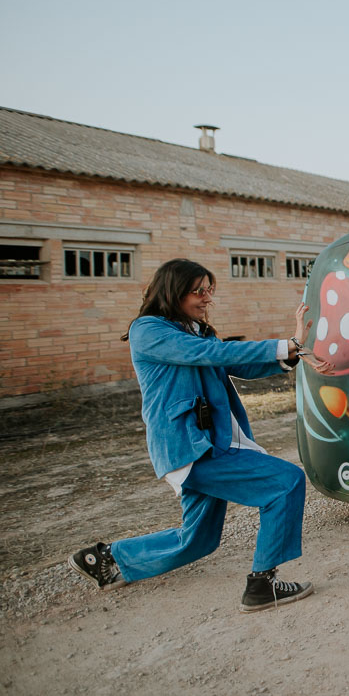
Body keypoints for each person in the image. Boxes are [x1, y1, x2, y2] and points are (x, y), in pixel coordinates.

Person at [67, 258, 334, 611]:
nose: (207, 298)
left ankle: (104, 558)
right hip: (191, 445)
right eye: (199, 291)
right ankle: (261, 586)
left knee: (198, 541)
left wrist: (293, 351)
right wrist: (283, 344)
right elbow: (207, 354)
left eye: (210, 290)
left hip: (210, 443)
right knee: (285, 483)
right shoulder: (149, 330)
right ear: (173, 291)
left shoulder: (195, 331)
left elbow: (234, 363)